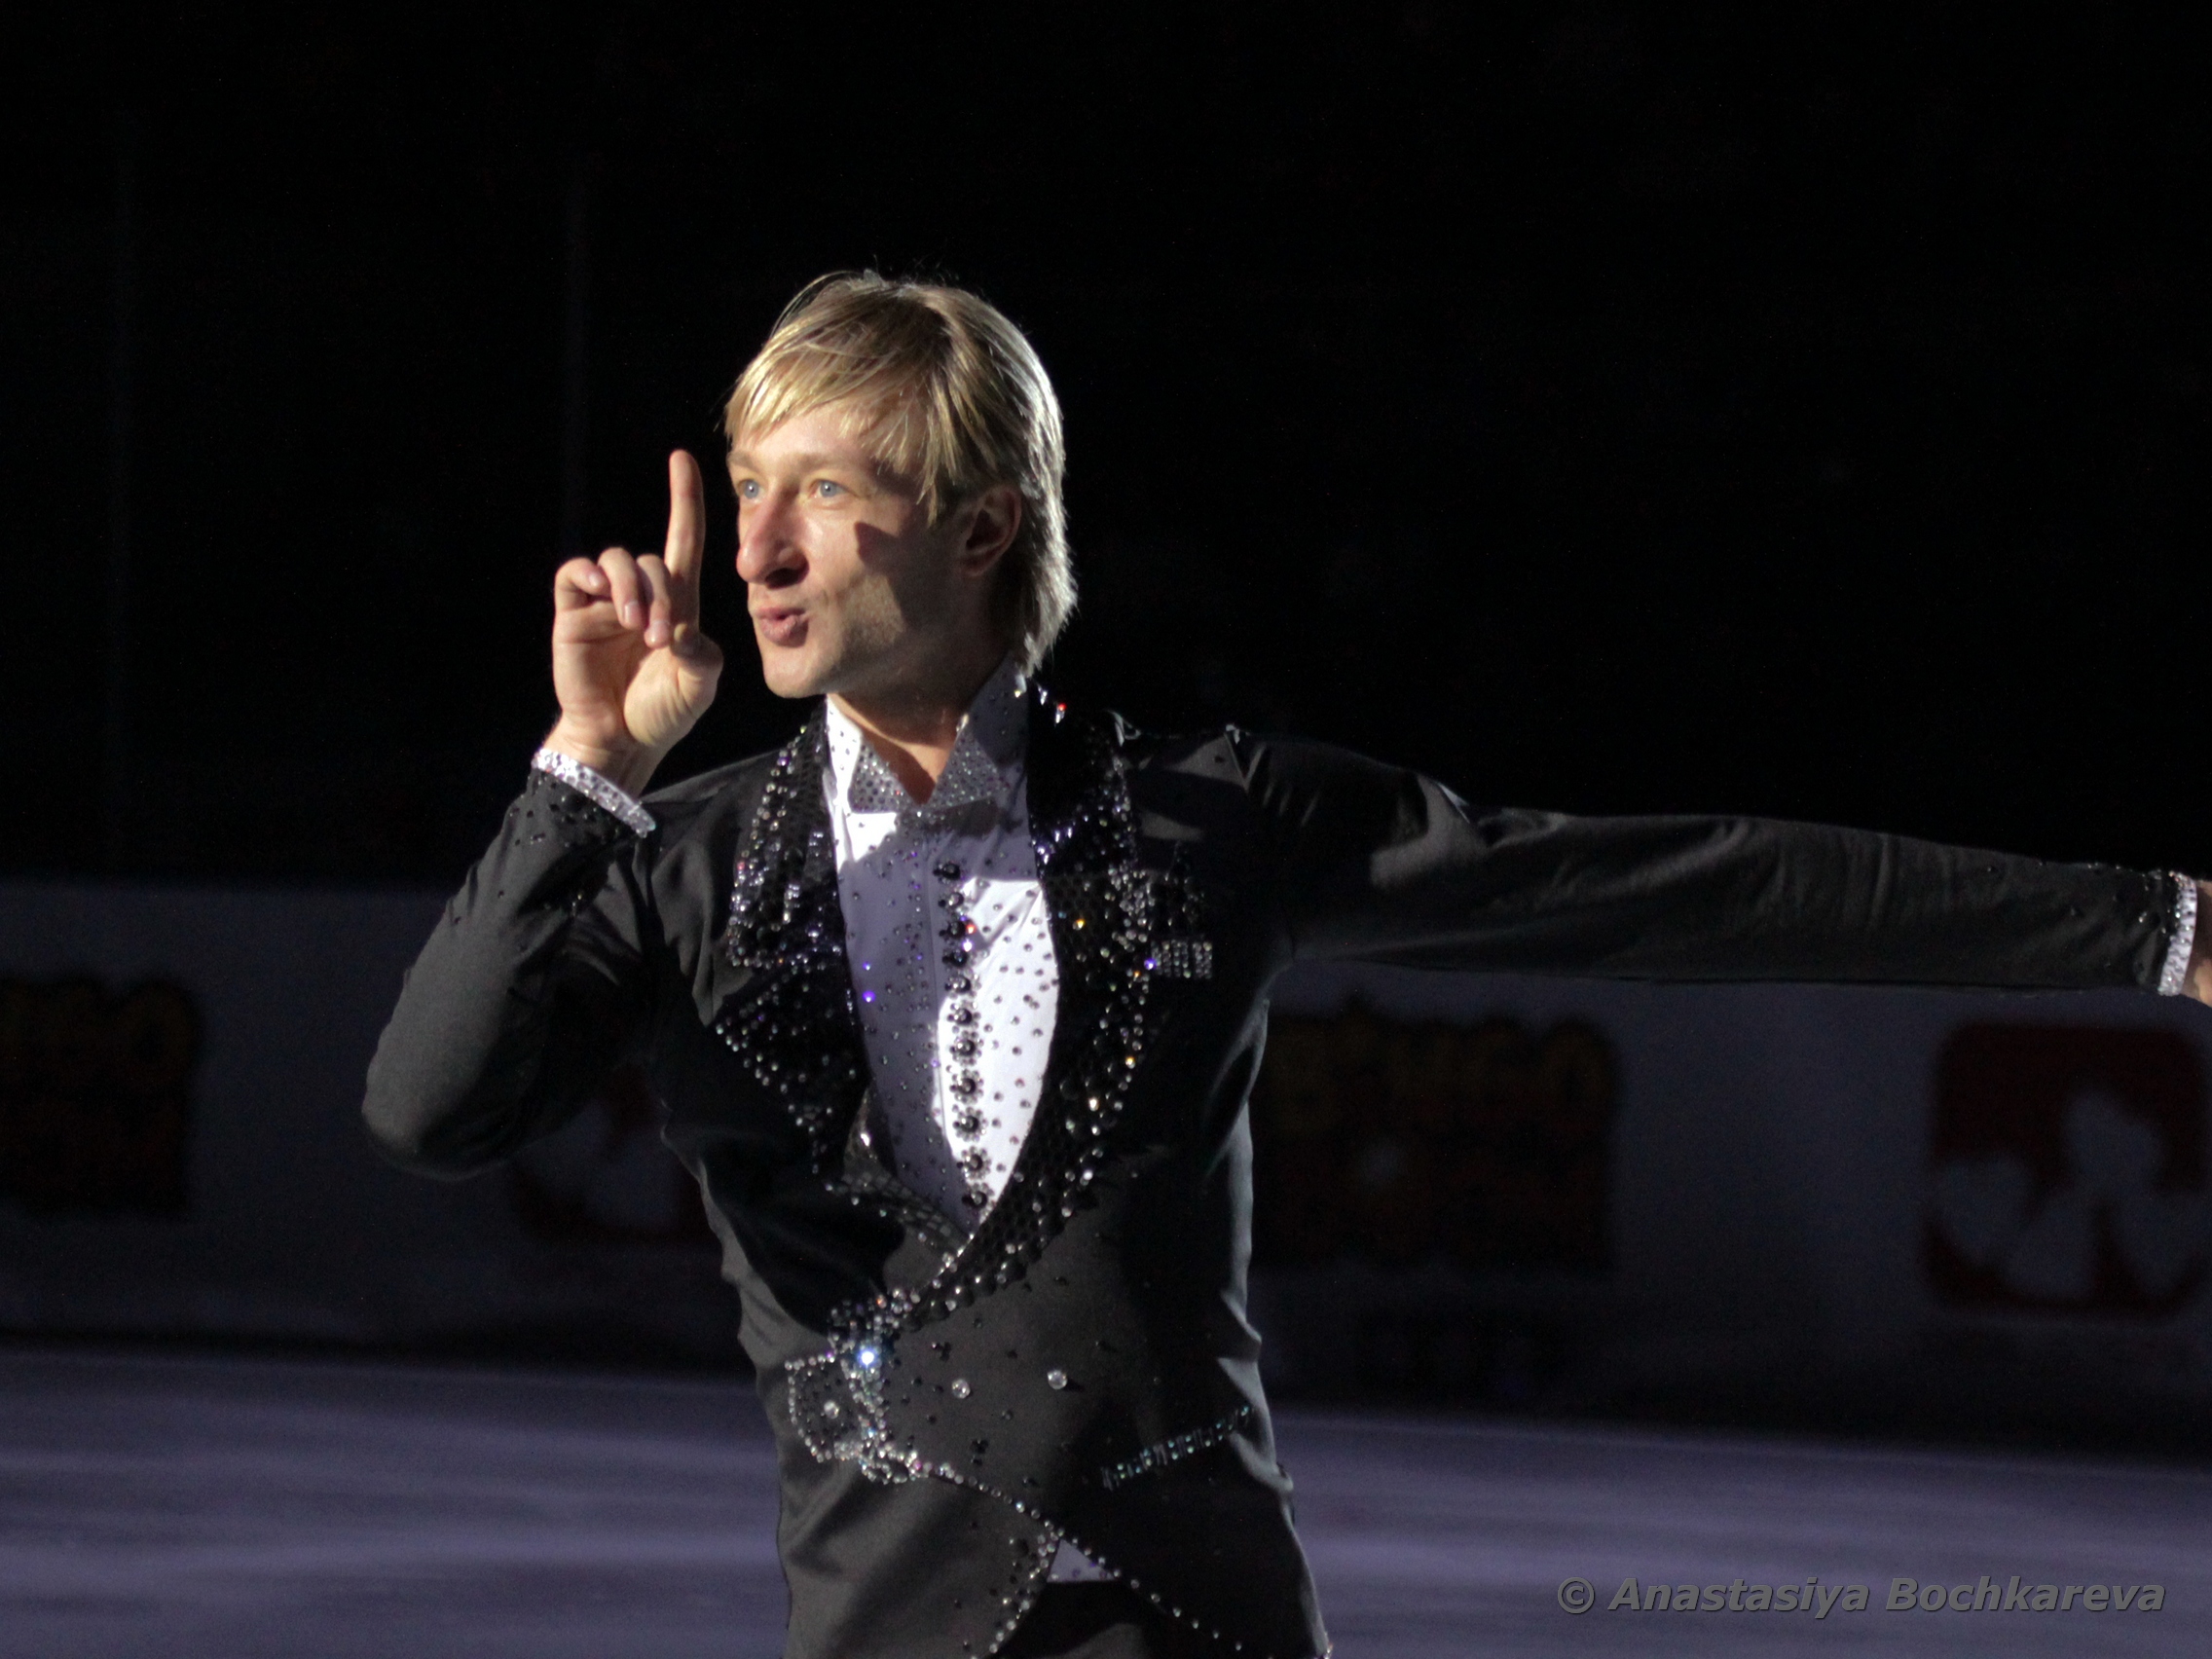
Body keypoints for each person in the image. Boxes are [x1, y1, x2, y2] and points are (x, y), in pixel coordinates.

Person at [363, 273, 2210, 1659]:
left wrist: (2155, 926)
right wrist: (591, 772)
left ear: (983, 522)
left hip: (1206, 1622)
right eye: (746, 483)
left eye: (823, 489)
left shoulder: (1211, 817)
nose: (753, 547)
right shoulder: (680, 866)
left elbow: (1671, 888)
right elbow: (430, 1107)